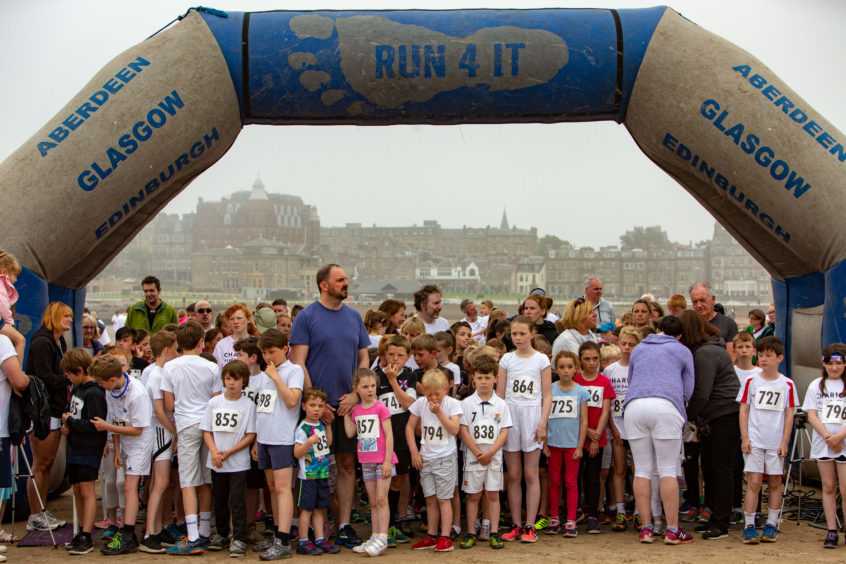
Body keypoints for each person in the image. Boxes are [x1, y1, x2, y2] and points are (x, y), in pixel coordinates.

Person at [289, 264, 370, 549]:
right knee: (313, 468)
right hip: (315, 410)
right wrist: (314, 405)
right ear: (324, 285)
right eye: (341, 280)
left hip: (346, 405)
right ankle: (311, 527)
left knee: (348, 465)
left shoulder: (354, 317)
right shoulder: (306, 317)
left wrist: (354, 394)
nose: (346, 283)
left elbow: (363, 359)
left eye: (346, 279)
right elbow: (298, 362)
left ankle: (345, 524)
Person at [624, 315, 695, 544]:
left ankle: (646, 528)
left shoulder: (639, 349)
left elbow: (631, 378)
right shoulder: (682, 350)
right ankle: (672, 529)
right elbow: (688, 389)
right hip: (666, 406)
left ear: (657, 329)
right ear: (679, 336)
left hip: (635, 406)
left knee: (643, 469)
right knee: (667, 470)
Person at [161, 321, 222, 555]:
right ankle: (205, 530)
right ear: (201, 343)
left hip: (186, 423)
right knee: (207, 478)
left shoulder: (170, 367)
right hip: (208, 423)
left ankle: (193, 534)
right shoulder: (211, 367)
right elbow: (217, 399)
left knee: (188, 480)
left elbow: (168, 403)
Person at [679, 309, 740, 540]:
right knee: (714, 468)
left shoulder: (705, 354)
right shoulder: (712, 349)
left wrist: (689, 418)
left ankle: (720, 522)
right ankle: (715, 517)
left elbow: (702, 393)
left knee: (720, 469)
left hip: (723, 414)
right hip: (720, 414)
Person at [92, 353, 155, 555]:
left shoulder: (137, 394)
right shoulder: (111, 392)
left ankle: (128, 533)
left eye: (101, 383)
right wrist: (117, 449)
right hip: (124, 440)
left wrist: (106, 427)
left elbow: (138, 429)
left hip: (139, 443)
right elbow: (116, 419)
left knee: (129, 485)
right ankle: (126, 531)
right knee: (124, 484)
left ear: (111, 379)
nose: (100, 386)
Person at [737, 336, 797, 544]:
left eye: (768, 356)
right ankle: (749, 525)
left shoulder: (787, 384)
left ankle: (772, 524)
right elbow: (743, 410)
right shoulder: (751, 382)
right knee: (753, 482)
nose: (763, 359)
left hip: (775, 442)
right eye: (760, 355)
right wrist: (745, 437)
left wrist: (784, 442)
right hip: (754, 441)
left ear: (779, 358)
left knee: (774, 482)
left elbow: (789, 414)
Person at [497, 315, 551, 543]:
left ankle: (530, 525)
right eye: (514, 334)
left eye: (522, 333)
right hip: (511, 417)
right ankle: (516, 525)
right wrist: (500, 424)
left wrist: (542, 424)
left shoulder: (541, 360)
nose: (517, 338)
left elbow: (547, 395)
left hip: (532, 418)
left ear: (531, 334)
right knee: (514, 475)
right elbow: (499, 395)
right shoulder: (506, 360)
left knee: (531, 474)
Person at [254, 329, 304, 560]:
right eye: (264, 352)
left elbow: (293, 400)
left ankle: (284, 539)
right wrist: (256, 438)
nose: (267, 356)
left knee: (283, 487)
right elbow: (261, 408)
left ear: (285, 350)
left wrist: (276, 377)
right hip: (265, 436)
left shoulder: (293, 371)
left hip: (283, 437)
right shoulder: (264, 374)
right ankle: (277, 534)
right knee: (273, 487)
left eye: (272, 351)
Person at [200, 360, 257, 556]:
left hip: (238, 462)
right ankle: (222, 533)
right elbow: (206, 430)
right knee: (220, 498)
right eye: (228, 378)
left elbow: (250, 435)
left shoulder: (248, 404)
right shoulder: (214, 402)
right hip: (217, 461)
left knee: (238, 499)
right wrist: (215, 451)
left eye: (236, 379)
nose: (231, 383)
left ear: (244, 381)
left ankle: (239, 536)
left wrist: (229, 452)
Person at [25, 301, 72, 532]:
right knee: (41, 464)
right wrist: (69, 378)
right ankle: (35, 514)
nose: (70, 321)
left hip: (55, 408)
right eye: (66, 317)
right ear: (55, 317)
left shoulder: (59, 341)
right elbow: (44, 377)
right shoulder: (43, 342)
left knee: (48, 463)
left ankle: (40, 510)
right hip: (43, 411)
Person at [458, 353, 511, 549]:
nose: (483, 381)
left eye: (488, 377)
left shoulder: (502, 405)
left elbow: (504, 432)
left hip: (493, 458)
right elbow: (462, 430)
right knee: (473, 495)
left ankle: (494, 532)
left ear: (496, 379)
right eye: (479, 377)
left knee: (492, 495)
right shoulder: (466, 404)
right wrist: (476, 451)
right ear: (473, 379)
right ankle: (471, 532)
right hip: (473, 458)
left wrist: (490, 453)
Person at [407, 369, 462, 552]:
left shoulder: (452, 404)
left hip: (445, 458)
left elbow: (454, 430)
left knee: (444, 498)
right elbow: (409, 427)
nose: (433, 398)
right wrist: (415, 451)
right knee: (430, 499)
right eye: (429, 394)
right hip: (426, 458)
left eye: (437, 394)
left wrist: (439, 412)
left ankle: (445, 537)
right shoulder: (421, 404)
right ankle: (431, 535)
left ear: (446, 389)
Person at [345, 368, 397, 557]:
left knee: (382, 499)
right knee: (373, 501)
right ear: (356, 388)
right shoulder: (357, 409)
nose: (370, 390)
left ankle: (382, 538)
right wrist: (346, 412)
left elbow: (390, 435)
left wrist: (387, 461)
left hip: (383, 460)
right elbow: (351, 432)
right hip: (366, 460)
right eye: (365, 387)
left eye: (373, 386)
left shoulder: (380, 408)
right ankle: (374, 536)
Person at [139, 330, 180, 553]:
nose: (176, 353)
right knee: (161, 482)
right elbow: (159, 411)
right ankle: (150, 533)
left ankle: (157, 527)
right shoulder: (157, 374)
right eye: (174, 350)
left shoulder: (150, 371)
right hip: (160, 431)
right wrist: (176, 432)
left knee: (158, 482)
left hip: (158, 430)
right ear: (166, 350)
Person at [803, 343, 846, 549]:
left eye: (838, 363)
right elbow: (812, 415)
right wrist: (829, 437)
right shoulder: (816, 385)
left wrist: (839, 438)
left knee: (845, 490)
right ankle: (831, 530)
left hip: (843, 442)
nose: (834, 367)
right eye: (830, 363)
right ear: (824, 363)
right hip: (824, 443)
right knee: (828, 486)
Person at [374, 335, 417, 540]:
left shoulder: (410, 376)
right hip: (381, 439)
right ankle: (383, 524)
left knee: (399, 479)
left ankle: (394, 522)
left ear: (408, 357)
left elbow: (409, 404)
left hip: (401, 436)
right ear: (383, 355)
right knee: (383, 481)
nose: (395, 359)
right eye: (390, 354)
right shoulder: (374, 376)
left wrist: (393, 381)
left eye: (400, 355)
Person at [544, 350, 588, 538]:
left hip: (572, 445)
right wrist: (545, 443)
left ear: (576, 368)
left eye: (570, 367)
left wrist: (579, 446)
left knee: (571, 483)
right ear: (555, 369)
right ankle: (554, 517)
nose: (566, 370)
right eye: (561, 367)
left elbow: (584, 421)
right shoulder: (550, 389)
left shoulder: (581, 392)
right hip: (553, 443)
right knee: (554, 482)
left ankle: (570, 519)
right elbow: (544, 417)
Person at [573, 341, 614, 534]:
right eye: (587, 359)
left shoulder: (604, 381)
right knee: (574, 476)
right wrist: (587, 430)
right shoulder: (575, 380)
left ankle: (593, 515)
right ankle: (574, 512)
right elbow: (574, 411)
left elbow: (605, 411)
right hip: (577, 436)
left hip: (597, 438)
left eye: (595, 359)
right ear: (580, 360)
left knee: (593, 477)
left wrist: (596, 436)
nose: (591, 363)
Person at [293, 387, 340, 556]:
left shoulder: (320, 424)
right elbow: (297, 452)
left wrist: (327, 427)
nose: (317, 409)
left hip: (321, 473)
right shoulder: (303, 428)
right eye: (313, 405)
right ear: (304, 406)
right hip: (308, 475)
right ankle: (303, 540)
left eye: (320, 406)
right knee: (306, 508)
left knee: (320, 508)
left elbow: (327, 443)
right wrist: (308, 442)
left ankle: (320, 538)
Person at [604, 326, 641, 532]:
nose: (627, 348)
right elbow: (607, 403)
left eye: (631, 345)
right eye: (624, 344)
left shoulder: (641, 369)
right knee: (618, 469)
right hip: (617, 426)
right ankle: (620, 511)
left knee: (637, 470)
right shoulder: (611, 370)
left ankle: (638, 511)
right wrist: (613, 428)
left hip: (636, 426)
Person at [689, 282, 739, 356]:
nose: (699, 305)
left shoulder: (728, 324)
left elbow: (731, 357)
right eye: (695, 302)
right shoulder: (688, 325)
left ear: (713, 299)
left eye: (702, 300)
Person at [214, 303, 254, 370]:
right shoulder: (221, 345)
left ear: (248, 319)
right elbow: (217, 371)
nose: (235, 322)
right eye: (232, 319)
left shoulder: (257, 343)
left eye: (239, 318)